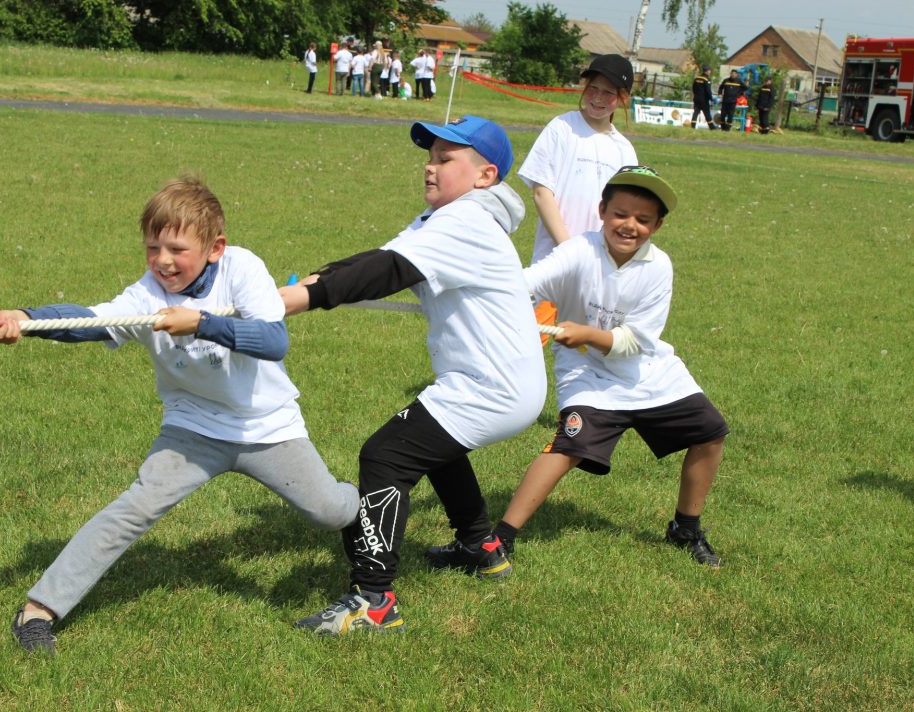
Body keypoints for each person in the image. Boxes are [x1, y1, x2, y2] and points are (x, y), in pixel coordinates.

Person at [0, 176, 359, 654]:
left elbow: (274, 340)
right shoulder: (147, 294)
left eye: (177, 249)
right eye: (152, 247)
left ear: (214, 247)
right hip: (193, 425)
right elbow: (92, 322)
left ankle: (365, 504)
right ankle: (38, 612)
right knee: (131, 510)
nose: (162, 260)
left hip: (265, 426)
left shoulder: (241, 269)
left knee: (330, 511)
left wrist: (201, 322)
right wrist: (29, 318)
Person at [281, 116, 547, 634]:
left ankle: (373, 600)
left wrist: (292, 301)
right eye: (430, 155)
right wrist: (321, 276)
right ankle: (481, 547)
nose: (430, 165)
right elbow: (379, 258)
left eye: (447, 158)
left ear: (485, 175)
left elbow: (389, 272)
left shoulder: (466, 221)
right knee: (432, 445)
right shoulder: (443, 218)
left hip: (492, 387)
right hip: (494, 383)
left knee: (386, 455)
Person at [492, 165, 729, 568]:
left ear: (658, 225)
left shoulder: (659, 267)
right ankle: (499, 540)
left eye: (643, 219)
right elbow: (527, 282)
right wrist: (494, 300)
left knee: (710, 432)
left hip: (650, 372)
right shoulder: (578, 250)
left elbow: (635, 341)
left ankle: (685, 529)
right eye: (620, 213)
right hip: (589, 374)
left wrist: (585, 332)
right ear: (602, 210)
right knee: (568, 447)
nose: (629, 225)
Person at [517, 53, 638, 344]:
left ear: (622, 98)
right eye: (593, 88)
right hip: (554, 258)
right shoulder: (562, 128)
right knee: (527, 340)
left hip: (598, 267)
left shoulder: (623, 149)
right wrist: (568, 248)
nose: (597, 98)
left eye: (608, 93)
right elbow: (541, 191)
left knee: (587, 347)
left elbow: (626, 210)